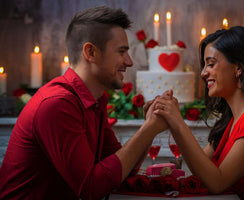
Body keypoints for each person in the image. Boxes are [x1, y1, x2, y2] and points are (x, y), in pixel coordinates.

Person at [0, 6, 166, 199]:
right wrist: (148, 130)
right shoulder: (57, 104)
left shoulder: (96, 99)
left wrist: (149, 126)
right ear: (91, 53)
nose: (129, 62)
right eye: (121, 52)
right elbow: (91, 188)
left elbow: (121, 173)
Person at [149, 26, 244, 199]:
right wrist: (170, 119)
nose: (203, 73)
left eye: (211, 64)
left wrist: (177, 121)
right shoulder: (231, 121)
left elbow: (217, 182)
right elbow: (200, 170)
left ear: (239, 68)